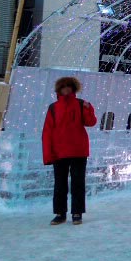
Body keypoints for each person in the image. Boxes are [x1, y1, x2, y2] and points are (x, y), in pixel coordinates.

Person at [42, 77, 97, 225]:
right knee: (60, 184)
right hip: (59, 151)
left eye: (69, 86)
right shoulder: (53, 108)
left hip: (78, 150)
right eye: (63, 87)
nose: (66, 89)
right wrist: (48, 154)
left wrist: (88, 109)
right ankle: (60, 213)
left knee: (78, 183)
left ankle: (77, 212)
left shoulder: (80, 104)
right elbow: (47, 131)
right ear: (59, 89)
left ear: (73, 88)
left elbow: (90, 122)